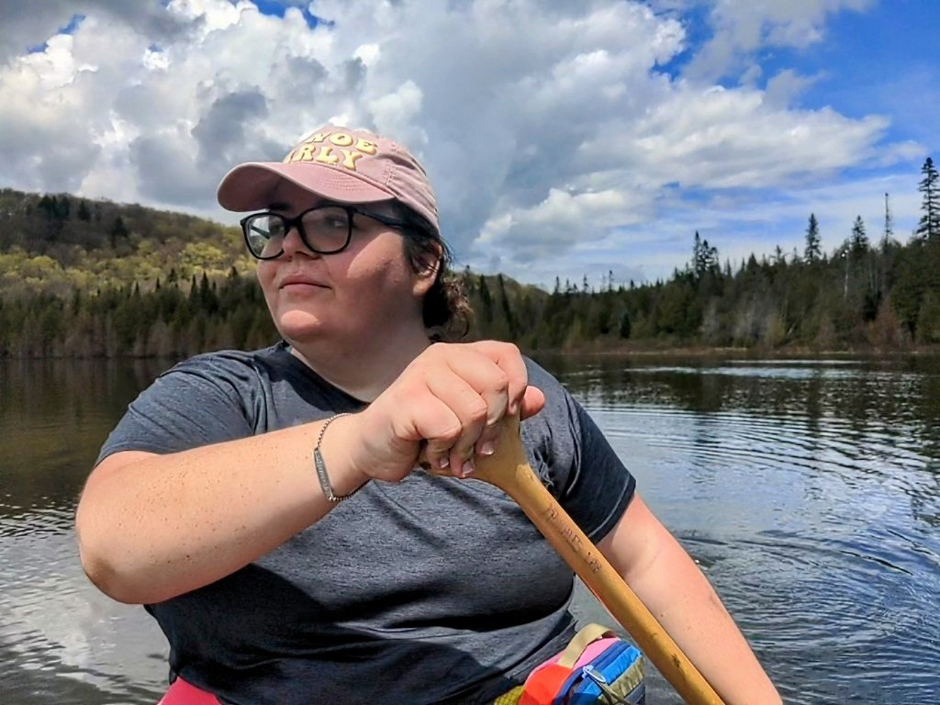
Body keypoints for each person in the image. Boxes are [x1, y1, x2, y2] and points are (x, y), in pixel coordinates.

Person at [76, 125, 781, 705]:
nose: (287, 244)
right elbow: (114, 546)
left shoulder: (517, 398)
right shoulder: (222, 394)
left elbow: (645, 559)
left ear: (423, 264)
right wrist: (357, 443)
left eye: (328, 222)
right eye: (274, 227)